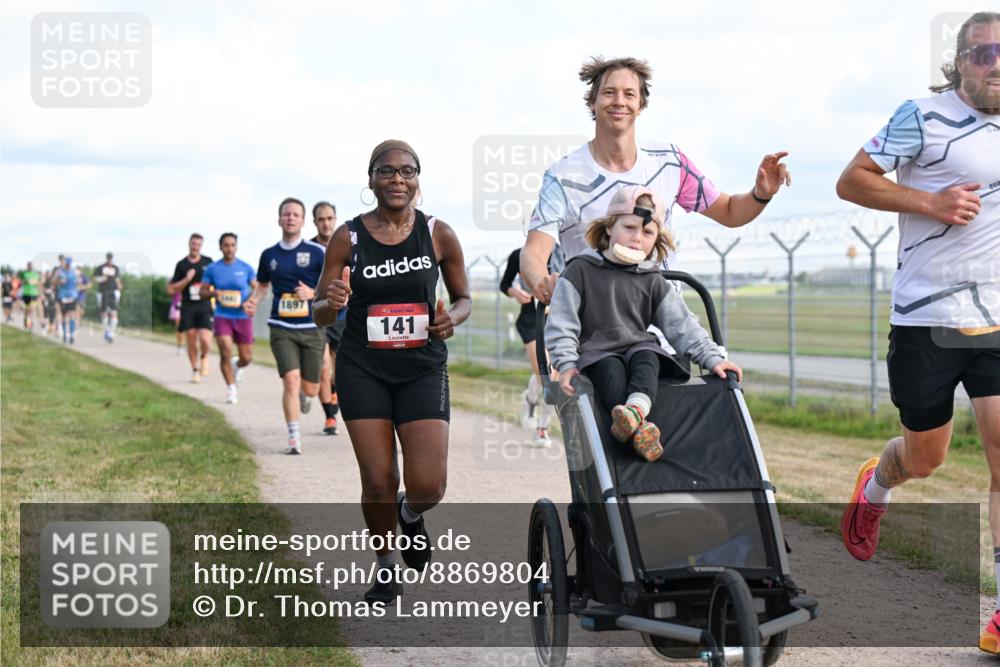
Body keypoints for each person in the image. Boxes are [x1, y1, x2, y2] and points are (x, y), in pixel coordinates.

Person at [834, 11, 1000, 653]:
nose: (994, 63)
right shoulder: (922, 117)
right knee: (926, 458)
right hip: (926, 318)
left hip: (995, 320)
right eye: (982, 53)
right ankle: (876, 485)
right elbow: (852, 180)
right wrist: (931, 203)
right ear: (959, 62)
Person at [314, 140, 471, 604]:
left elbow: (463, 298)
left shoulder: (438, 233)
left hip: (422, 368)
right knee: (379, 479)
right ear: (371, 179)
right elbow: (319, 311)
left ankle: (410, 513)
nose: (397, 179)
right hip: (363, 367)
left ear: (418, 179)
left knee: (428, 485)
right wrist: (331, 303)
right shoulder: (348, 237)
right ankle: (385, 568)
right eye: (386, 171)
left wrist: (452, 318)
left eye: (407, 171)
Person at [520, 56, 791, 304]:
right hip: (593, 325)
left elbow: (730, 212)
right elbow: (533, 253)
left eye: (629, 94)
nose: (619, 101)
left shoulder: (670, 161)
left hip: (664, 322)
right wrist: (545, 284)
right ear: (593, 102)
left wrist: (761, 193)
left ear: (640, 106)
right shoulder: (562, 176)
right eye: (609, 92)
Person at [545, 186, 742, 460]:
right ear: (609, 227)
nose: (637, 238)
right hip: (597, 353)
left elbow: (681, 325)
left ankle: (635, 412)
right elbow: (562, 324)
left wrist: (712, 358)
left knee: (648, 356)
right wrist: (566, 364)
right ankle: (641, 430)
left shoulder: (651, 279)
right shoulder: (580, 271)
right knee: (611, 368)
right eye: (629, 227)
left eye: (647, 232)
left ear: (656, 239)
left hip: (638, 346)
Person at [244, 198, 326, 453]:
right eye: (286, 214)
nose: (290, 218)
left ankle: (306, 396)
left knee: (311, 388)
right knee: (291, 380)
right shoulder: (269, 255)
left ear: (303, 221)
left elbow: (331, 285)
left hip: (311, 327)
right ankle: (293, 436)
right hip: (281, 326)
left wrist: (313, 293)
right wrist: (253, 301)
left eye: (295, 214)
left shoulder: (317, 252)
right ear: (279, 219)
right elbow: (262, 286)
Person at [499, 246, 559, 447]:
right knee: (546, 376)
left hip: (557, 323)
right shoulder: (520, 254)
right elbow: (504, 284)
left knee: (552, 376)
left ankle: (536, 412)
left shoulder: (563, 252)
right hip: (531, 322)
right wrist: (516, 293)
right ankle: (540, 424)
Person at [200, 233, 257, 405]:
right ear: (220, 247)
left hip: (242, 317)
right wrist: (213, 293)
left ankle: (237, 365)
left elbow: (257, 288)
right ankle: (231, 389)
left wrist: (248, 302)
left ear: (236, 247)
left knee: (246, 357)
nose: (229, 248)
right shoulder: (213, 269)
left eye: (232, 245)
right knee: (225, 350)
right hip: (222, 315)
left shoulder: (246, 267)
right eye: (226, 245)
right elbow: (202, 291)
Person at [312, 201, 344, 435]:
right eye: (321, 219)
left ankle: (335, 392)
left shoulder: (346, 245)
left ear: (335, 219)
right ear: (314, 222)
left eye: (329, 218)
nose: (326, 223)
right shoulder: (308, 249)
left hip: (344, 316)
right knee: (323, 367)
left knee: (339, 368)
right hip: (319, 315)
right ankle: (330, 417)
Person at [168, 234, 214, 383]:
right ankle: (195, 370)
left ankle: (204, 356)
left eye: (198, 244)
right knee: (192, 340)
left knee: (205, 339)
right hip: (188, 306)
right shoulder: (181, 265)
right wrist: (187, 279)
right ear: (189, 244)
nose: (195, 247)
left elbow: (216, 281)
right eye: (193, 244)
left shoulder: (208, 262)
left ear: (201, 246)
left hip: (204, 305)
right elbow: (172, 289)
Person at [94, 252, 123, 342]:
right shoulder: (100, 267)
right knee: (104, 313)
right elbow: (95, 278)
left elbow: (117, 279)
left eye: (111, 258)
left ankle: (111, 333)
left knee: (114, 312)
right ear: (106, 258)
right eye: (108, 258)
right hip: (103, 292)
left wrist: (119, 284)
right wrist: (103, 278)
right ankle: (106, 330)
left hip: (113, 292)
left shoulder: (115, 268)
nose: (109, 259)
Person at [54, 257, 79, 344]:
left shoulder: (74, 272)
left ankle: (71, 335)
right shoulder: (60, 272)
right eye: (67, 264)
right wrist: (59, 280)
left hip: (72, 295)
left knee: (72, 314)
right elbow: (54, 282)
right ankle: (65, 335)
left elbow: (77, 283)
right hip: (63, 295)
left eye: (69, 264)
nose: (68, 265)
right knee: (64, 315)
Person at [18, 261, 41, 331]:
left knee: (31, 310)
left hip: (34, 294)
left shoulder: (36, 274)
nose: (30, 267)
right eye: (29, 266)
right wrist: (26, 281)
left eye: (31, 266)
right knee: (26, 311)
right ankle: (26, 323)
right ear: (27, 266)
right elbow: (20, 281)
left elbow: (39, 284)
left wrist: (40, 293)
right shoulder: (24, 273)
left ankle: (30, 325)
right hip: (26, 294)